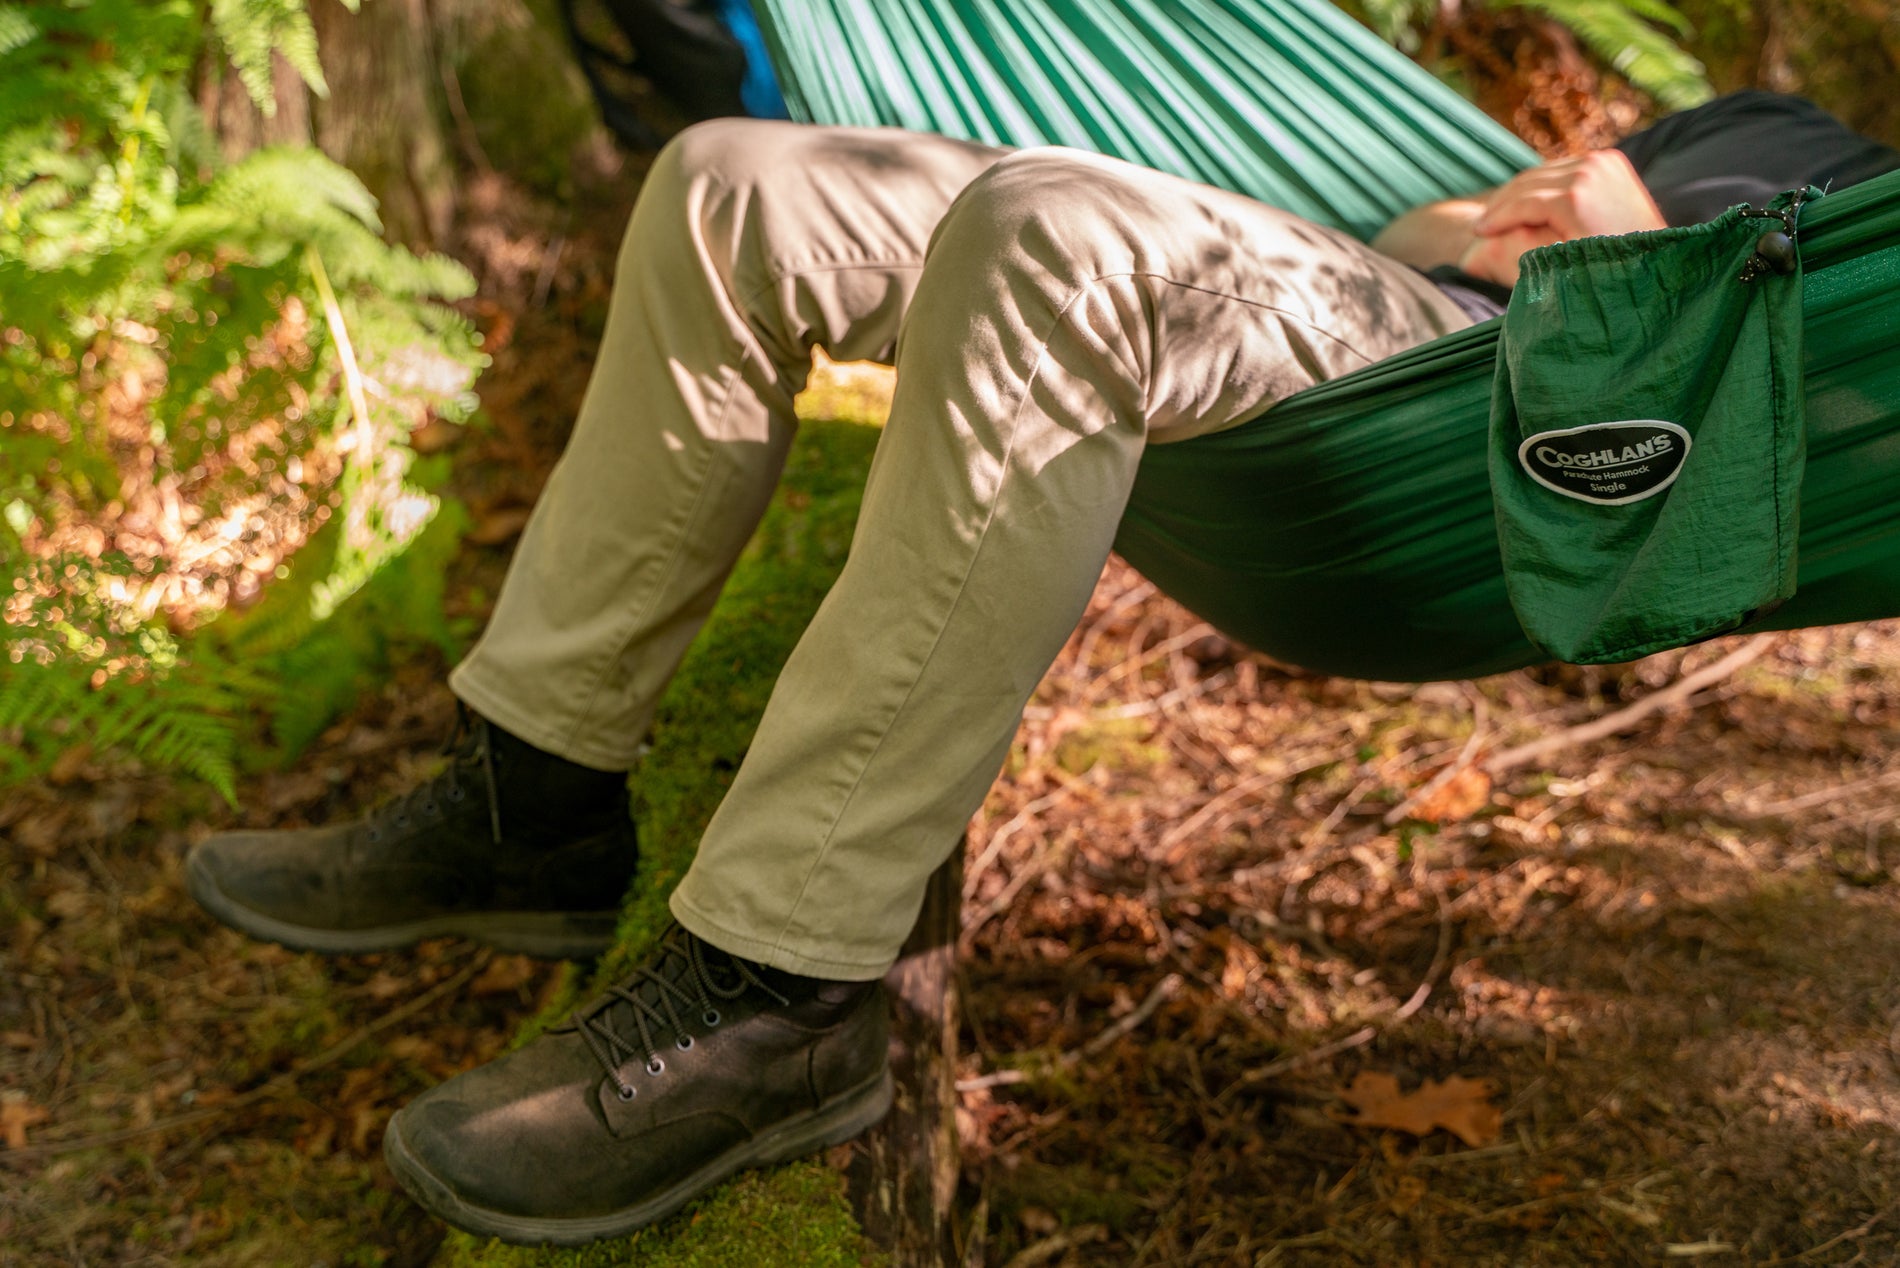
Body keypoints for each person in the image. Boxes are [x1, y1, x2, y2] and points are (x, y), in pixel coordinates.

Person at [185, 90, 1898, 1245]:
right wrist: (1513, 209)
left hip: (1488, 410)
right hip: (1370, 301)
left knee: (1057, 229)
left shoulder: (1858, 210)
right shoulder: (1752, 114)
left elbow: (1748, 405)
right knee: (733, 180)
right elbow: (1435, 209)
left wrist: (1615, 244)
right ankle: (534, 792)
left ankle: (780, 1001)